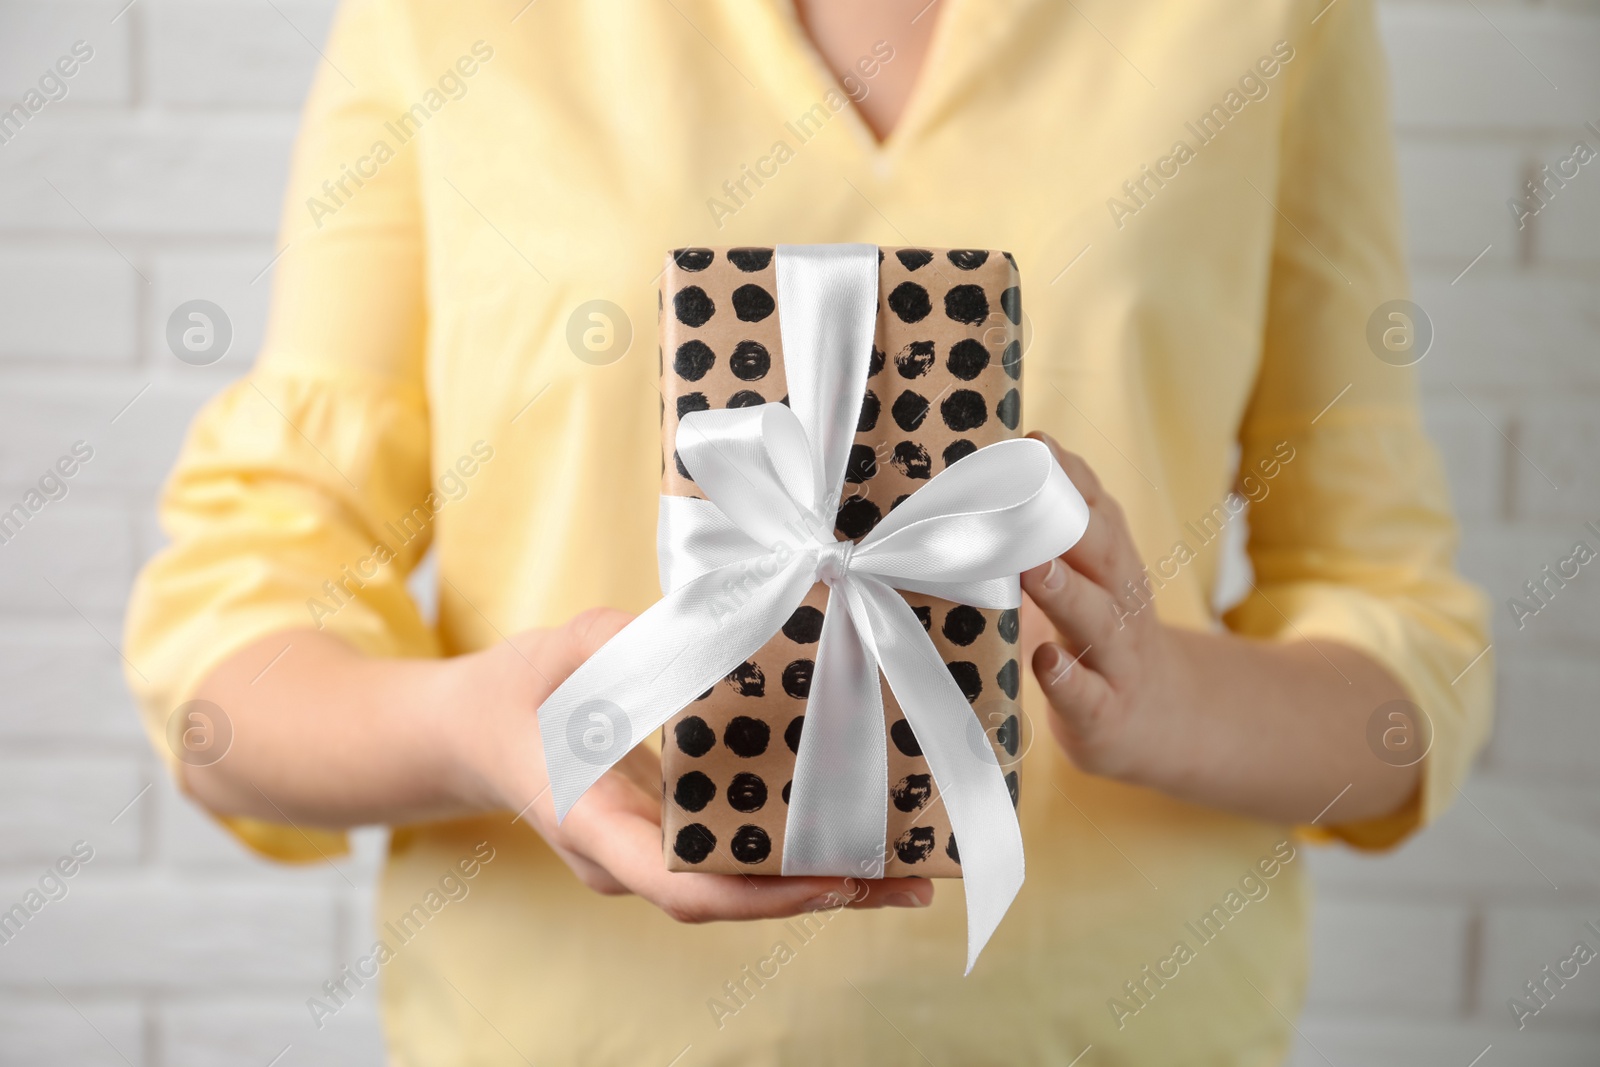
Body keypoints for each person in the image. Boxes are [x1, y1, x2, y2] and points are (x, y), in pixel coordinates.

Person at [125, 0, 1492, 1062]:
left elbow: (1400, 656)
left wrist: (1159, 687)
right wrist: (486, 729)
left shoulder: (1262, 20)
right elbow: (229, 660)